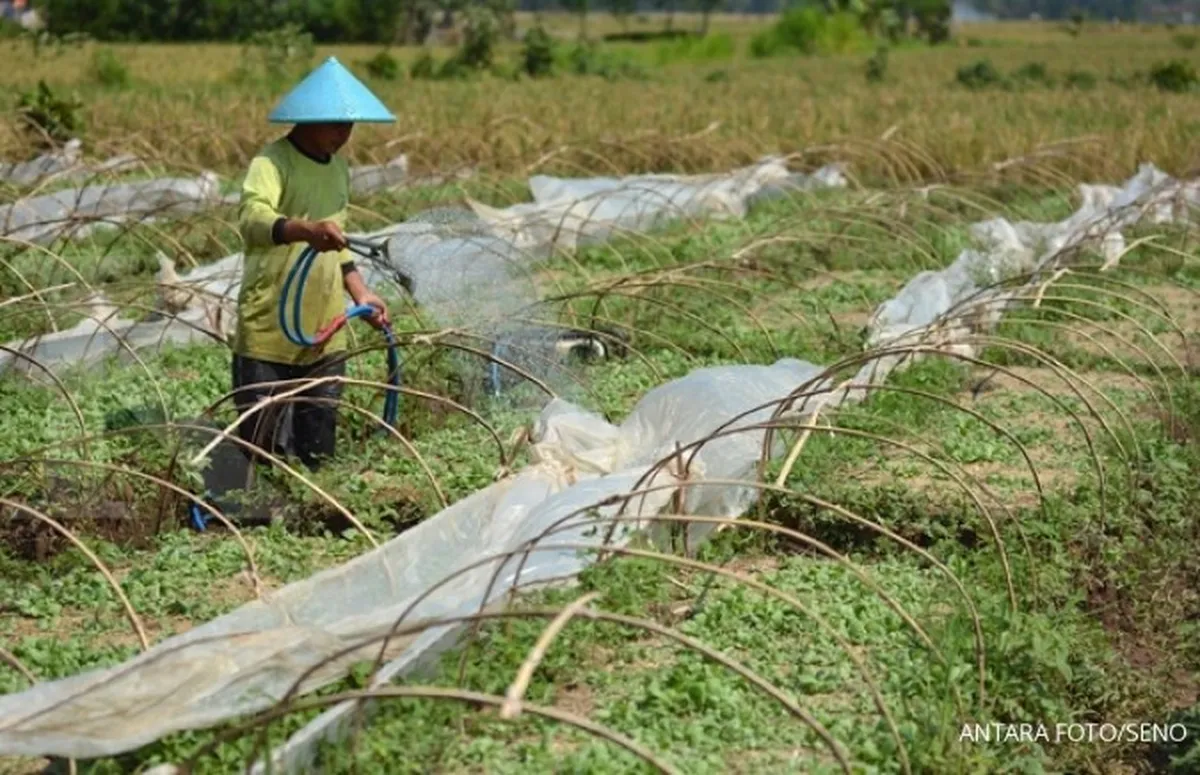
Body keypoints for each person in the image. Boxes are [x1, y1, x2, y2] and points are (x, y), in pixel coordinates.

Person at [231, 56, 394, 471]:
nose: (345, 134)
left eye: (350, 125)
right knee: (260, 444)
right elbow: (252, 219)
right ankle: (255, 524)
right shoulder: (273, 162)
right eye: (336, 124)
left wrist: (361, 292)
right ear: (307, 119)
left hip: (325, 327)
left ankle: (315, 518)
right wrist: (306, 230)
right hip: (270, 325)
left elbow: (338, 243)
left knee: (319, 442)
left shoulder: (339, 169)